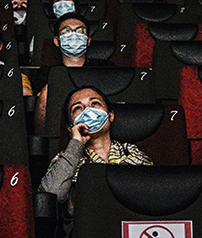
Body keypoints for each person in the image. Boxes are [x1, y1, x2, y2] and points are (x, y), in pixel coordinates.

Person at [38, 87, 151, 226]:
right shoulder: (66, 159)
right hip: (88, 234)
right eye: (78, 108)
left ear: (110, 116)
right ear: (70, 127)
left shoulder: (133, 154)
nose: (88, 110)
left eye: (95, 103)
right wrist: (76, 143)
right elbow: (51, 196)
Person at [36, 12, 103, 130]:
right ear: (57, 41)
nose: (74, 35)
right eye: (66, 31)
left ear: (88, 40)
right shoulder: (46, 74)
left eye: (80, 31)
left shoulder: (105, 68)